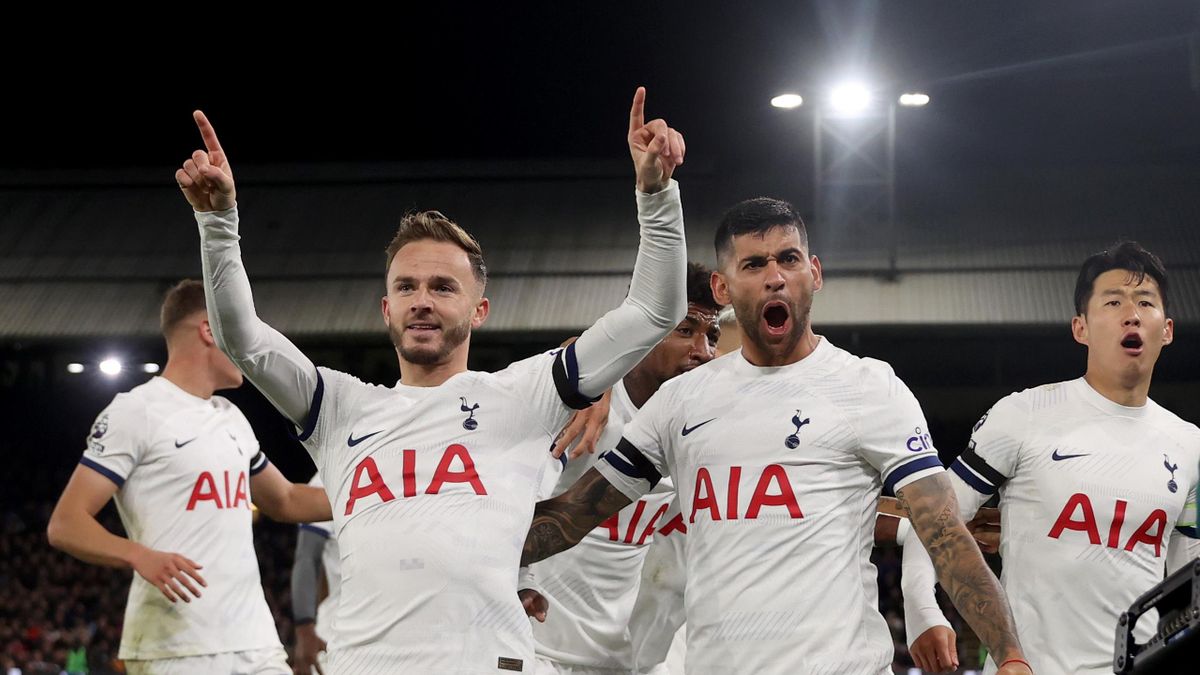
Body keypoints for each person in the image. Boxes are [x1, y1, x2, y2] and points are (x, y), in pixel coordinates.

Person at [175, 87, 689, 672]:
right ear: (386, 308)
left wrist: (657, 194)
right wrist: (218, 223)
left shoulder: (524, 397)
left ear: (479, 310)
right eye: (407, 287)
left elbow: (653, 312)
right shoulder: (338, 408)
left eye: (444, 287)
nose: (423, 301)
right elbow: (244, 338)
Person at [522, 197, 1032, 675]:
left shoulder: (869, 387)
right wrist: (472, 554)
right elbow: (572, 515)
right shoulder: (680, 402)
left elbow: (942, 529)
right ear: (723, 289)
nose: (774, 278)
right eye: (753, 265)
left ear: (814, 273)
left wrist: (1010, 656)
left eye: (788, 259)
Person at [903, 241, 1200, 674]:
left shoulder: (1189, 445)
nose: (1131, 313)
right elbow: (933, 524)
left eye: (1145, 302)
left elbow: (1189, 580)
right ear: (1080, 328)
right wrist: (922, 611)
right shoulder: (1023, 415)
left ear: (1167, 329)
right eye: (1113, 301)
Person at [47, 280, 332, 674]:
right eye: (239, 330)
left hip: (255, 644)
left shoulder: (231, 417)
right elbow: (66, 524)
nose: (249, 345)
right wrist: (138, 554)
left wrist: (388, 494)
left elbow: (286, 501)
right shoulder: (136, 411)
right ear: (210, 330)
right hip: (175, 648)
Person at [523, 263, 722, 675]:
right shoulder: (577, 404)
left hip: (617, 661)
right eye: (685, 330)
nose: (703, 350)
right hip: (530, 650)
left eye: (712, 336)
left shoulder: (697, 437)